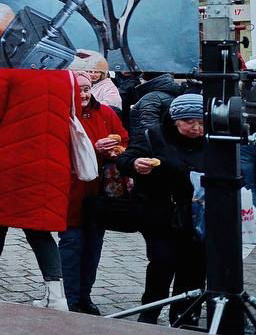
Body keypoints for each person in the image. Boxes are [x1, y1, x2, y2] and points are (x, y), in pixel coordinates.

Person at [0, 68, 77, 309]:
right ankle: (56, 296)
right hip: (52, 158)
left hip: (12, 158)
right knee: (39, 228)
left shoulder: (9, 70)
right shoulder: (66, 74)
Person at [117, 93, 207, 326]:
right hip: (160, 212)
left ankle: (186, 318)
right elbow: (126, 160)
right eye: (189, 122)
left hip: (198, 215)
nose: (196, 128)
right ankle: (150, 313)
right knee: (162, 262)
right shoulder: (154, 136)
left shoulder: (213, 140)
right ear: (175, 120)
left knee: (194, 267)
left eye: (201, 122)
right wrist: (136, 165)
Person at [60, 73, 127, 314]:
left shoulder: (106, 113)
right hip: (71, 190)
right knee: (71, 243)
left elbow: (124, 139)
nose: (84, 94)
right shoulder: (63, 115)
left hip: (99, 192)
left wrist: (115, 149)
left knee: (93, 245)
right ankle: (69, 297)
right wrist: (92, 146)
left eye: (87, 89)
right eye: (79, 90)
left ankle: (85, 296)